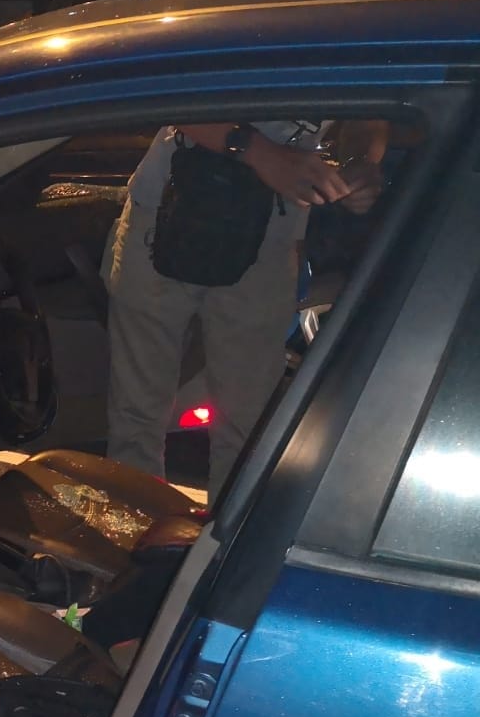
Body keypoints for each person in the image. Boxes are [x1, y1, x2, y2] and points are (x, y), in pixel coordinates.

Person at [105, 119, 387, 498]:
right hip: (165, 210)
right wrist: (263, 154)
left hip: (271, 234)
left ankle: (224, 548)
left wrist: (362, 164)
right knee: (137, 415)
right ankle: (135, 535)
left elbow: (369, 107)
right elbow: (177, 84)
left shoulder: (354, 56)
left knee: (247, 426)